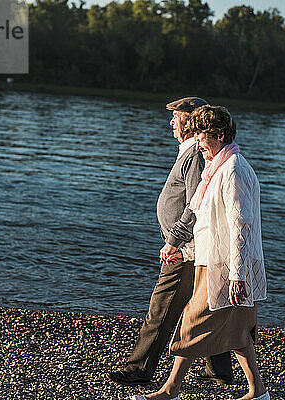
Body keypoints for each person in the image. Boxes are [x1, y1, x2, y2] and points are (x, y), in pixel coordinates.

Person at [131, 105, 268, 400]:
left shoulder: (233, 170)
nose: (199, 147)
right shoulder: (214, 166)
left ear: (218, 135)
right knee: (238, 330)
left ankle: (170, 390)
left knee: (195, 322)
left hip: (227, 266)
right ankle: (257, 392)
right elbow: (195, 207)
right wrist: (175, 242)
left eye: (202, 141)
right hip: (214, 261)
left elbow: (241, 226)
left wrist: (237, 275)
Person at [108, 98, 233, 387]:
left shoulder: (193, 157)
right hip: (190, 247)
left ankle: (139, 369)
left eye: (176, 117)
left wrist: (175, 241)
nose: (171, 123)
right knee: (204, 306)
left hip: (186, 250)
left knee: (161, 308)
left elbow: (195, 204)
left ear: (190, 121)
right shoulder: (190, 153)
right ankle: (219, 369)